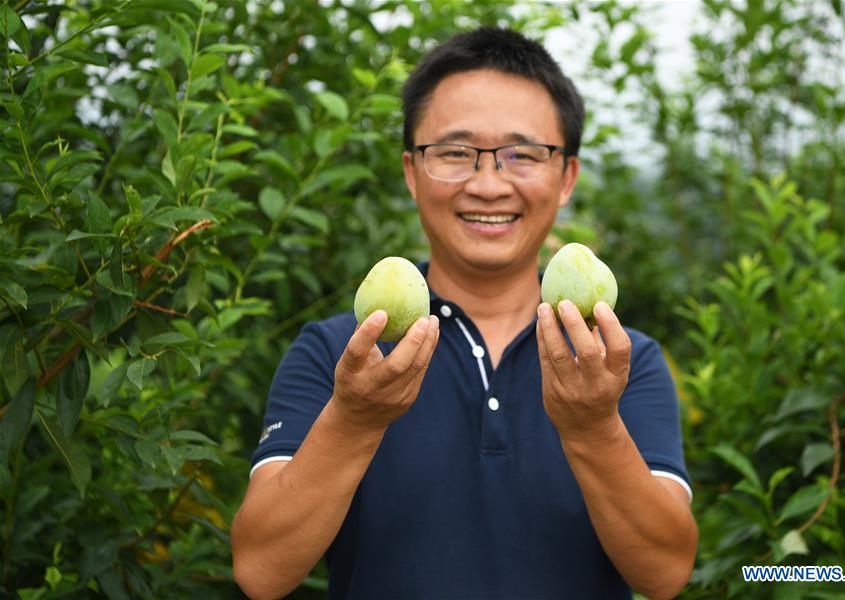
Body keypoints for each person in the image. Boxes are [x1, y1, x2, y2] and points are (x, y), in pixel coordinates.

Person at [231, 27, 697, 600]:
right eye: (454, 153)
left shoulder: (617, 362)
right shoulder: (340, 354)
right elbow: (260, 570)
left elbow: (666, 573)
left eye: (521, 155)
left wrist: (594, 426)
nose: (487, 183)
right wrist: (353, 419)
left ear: (567, 176)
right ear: (410, 171)